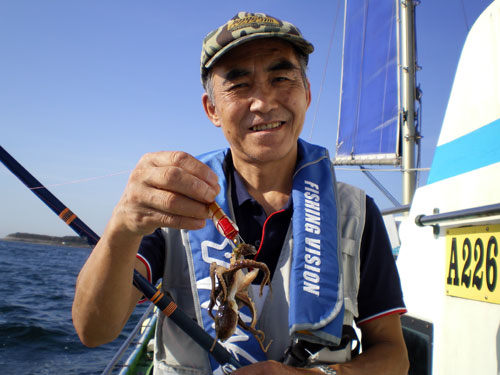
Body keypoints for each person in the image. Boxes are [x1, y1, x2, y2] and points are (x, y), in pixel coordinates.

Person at [72, 12, 409, 375]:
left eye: (281, 78)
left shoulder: (356, 213)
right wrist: (123, 224)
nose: (263, 102)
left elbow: (393, 352)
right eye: (239, 85)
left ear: (307, 95)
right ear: (212, 109)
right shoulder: (170, 199)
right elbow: (94, 331)